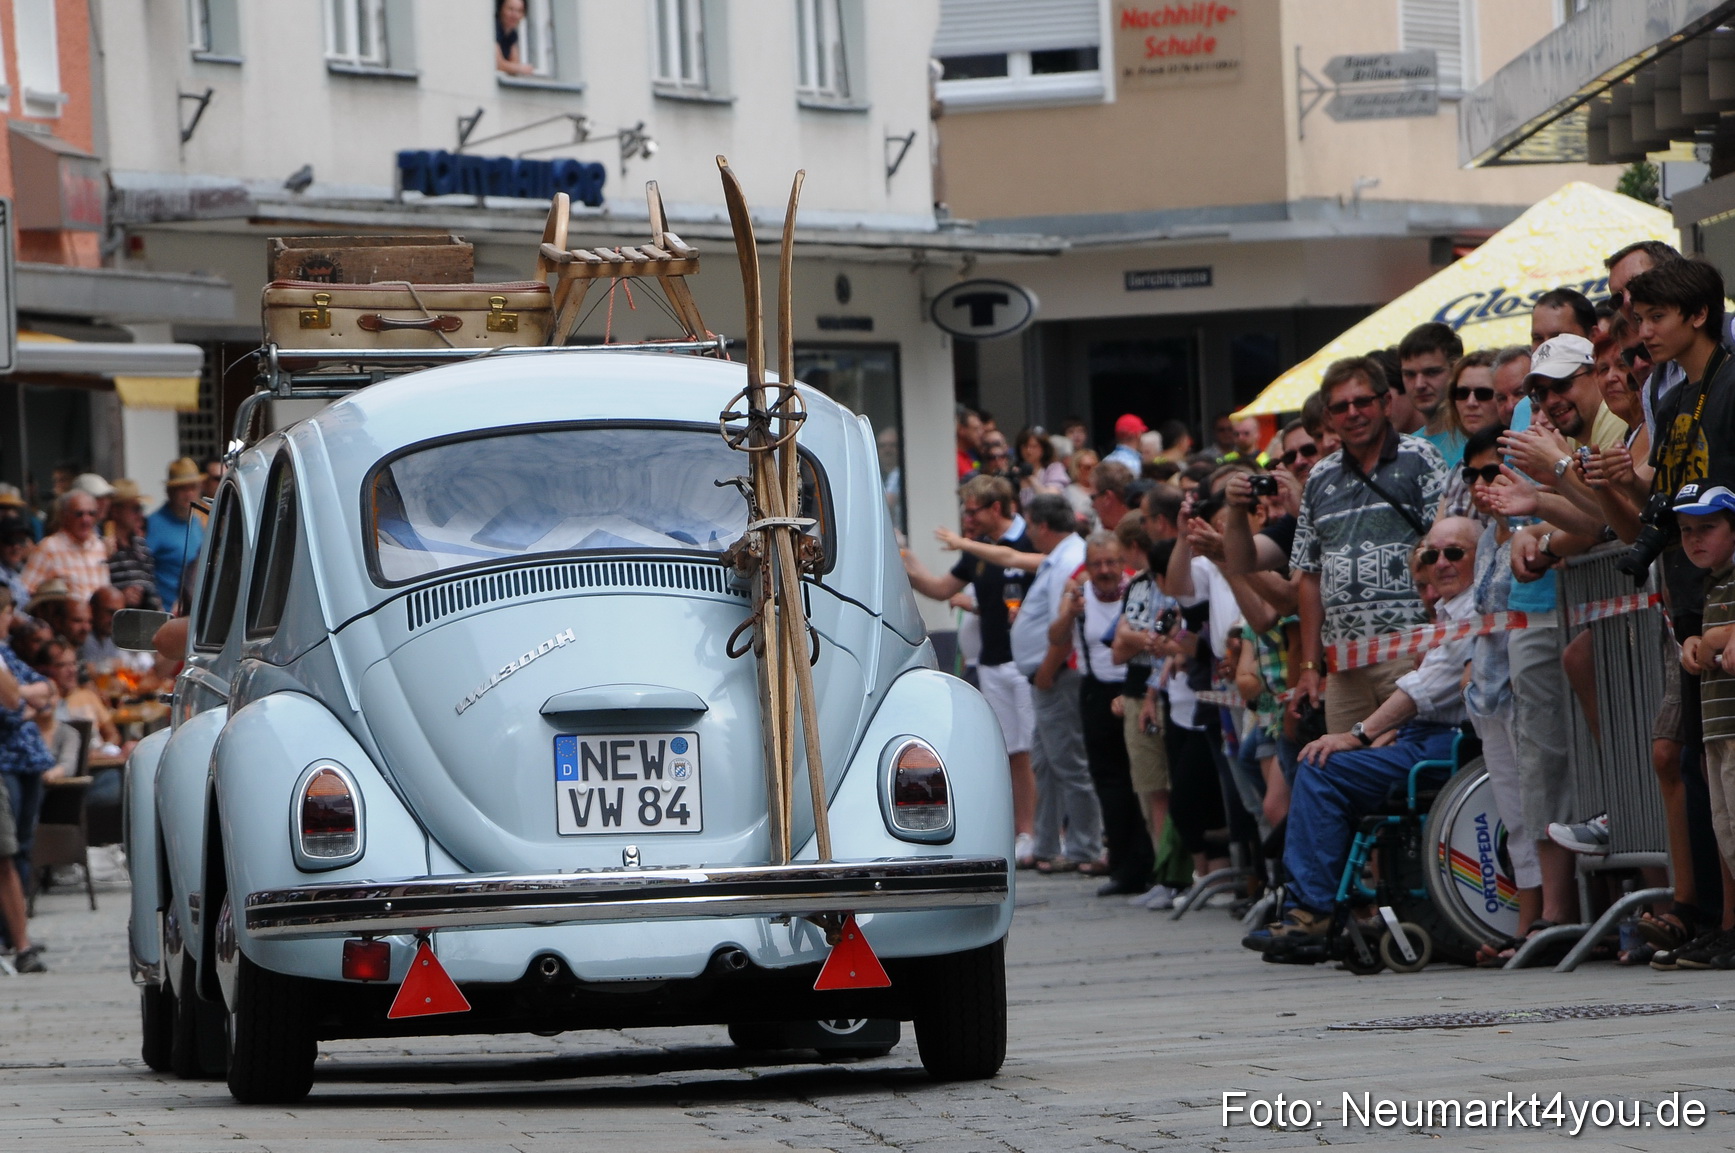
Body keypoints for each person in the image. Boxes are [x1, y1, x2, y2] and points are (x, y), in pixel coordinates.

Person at [1247, 517, 1480, 949]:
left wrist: (1359, 734)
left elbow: (1425, 690)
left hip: (1449, 747)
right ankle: (1335, 906)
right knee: (1324, 763)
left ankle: (1312, 911)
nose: (1441, 564)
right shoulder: (1448, 612)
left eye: (1454, 553)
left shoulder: (1471, 610)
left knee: (1323, 767)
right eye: (1433, 555)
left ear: (1479, 557)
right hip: (1425, 737)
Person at [1291, 357, 1446, 735]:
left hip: (1410, 655)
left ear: (1386, 404)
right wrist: (1310, 669)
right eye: (1341, 407)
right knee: (1346, 772)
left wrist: (1438, 639)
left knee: (1408, 771)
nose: (1353, 413)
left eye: (1363, 402)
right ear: (1328, 417)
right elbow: (1310, 577)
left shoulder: (1420, 458)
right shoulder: (1318, 479)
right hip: (1344, 667)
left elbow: (1446, 549)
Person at [904, 476, 1039, 865]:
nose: (968, 517)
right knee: (1012, 750)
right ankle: (1024, 832)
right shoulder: (980, 552)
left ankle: (1042, 831)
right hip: (994, 662)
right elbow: (940, 588)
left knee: (1032, 751)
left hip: (1028, 662)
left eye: (973, 509)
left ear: (996, 507)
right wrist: (904, 560)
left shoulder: (1029, 541)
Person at [1049, 531, 1152, 896]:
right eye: (1097, 564)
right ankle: (1122, 867)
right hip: (1095, 692)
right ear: (1087, 567)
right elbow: (1056, 636)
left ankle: (1151, 864)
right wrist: (1068, 610)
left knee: (1144, 781)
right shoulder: (1079, 595)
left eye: (1110, 562)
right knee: (1109, 784)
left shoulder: (1136, 592)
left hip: (1135, 688)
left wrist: (1131, 693)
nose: (1104, 571)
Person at [1009, 494, 1103, 873]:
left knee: (1069, 763)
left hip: (1058, 676)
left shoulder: (1067, 559)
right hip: (1047, 676)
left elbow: (1062, 627)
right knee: (1046, 763)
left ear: (1043, 525)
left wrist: (1048, 668)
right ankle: (1047, 842)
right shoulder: (1059, 557)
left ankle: (1084, 846)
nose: (1028, 532)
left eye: (1030, 524)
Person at [1673, 482, 1735, 968]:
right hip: (1717, 729)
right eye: (1687, 531)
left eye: (1708, 528)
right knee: (1726, 833)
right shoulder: (1711, 582)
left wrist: (1712, 637)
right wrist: (1698, 644)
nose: (1696, 539)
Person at [19, 491, 111, 603]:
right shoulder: (49, 547)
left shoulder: (99, 546)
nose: (86, 520)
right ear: (64, 516)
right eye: (79, 514)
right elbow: (24, 591)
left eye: (91, 514)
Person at [1397, 322, 1466, 466]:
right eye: (1409, 374)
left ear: (1456, 370)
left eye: (1432, 372)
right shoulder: (1406, 448)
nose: (1419, 384)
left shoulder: (1479, 438)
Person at [146, 458, 206, 612]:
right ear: (169, 492)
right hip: (167, 614)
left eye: (193, 487)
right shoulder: (153, 525)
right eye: (182, 489)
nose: (189, 494)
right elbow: (144, 571)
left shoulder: (198, 522)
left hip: (195, 614)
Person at [105, 479, 159, 609]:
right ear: (115, 511)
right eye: (135, 509)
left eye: (141, 508)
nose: (140, 515)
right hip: (118, 616)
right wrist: (120, 596)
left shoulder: (141, 544)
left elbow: (151, 584)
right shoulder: (104, 546)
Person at [1014, 427, 1068, 506]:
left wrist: (1030, 477)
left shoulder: (1054, 468)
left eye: (1034, 446)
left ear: (1044, 449)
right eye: (1025, 446)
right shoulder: (1015, 470)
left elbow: (1051, 498)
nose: (1029, 451)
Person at [1088, 459, 1136, 532]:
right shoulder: (1099, 529)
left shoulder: (1139, 533)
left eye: (1093, 497)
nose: (1092, 505)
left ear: (1107, 497)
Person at [495, 0, 536, 75]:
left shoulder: (512, 34)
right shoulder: (493, 28)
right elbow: (497, 64)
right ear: (501, 9)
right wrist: (521, 68)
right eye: (510, 9)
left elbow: (515, 62)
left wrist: (516, 68)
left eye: (519, 11)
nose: (514, 15)